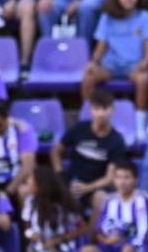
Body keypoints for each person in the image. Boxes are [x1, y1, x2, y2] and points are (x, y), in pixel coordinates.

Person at [82, 0, 148, 140]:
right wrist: (93, 63)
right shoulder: (107, 17)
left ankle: (140, 125)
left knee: (143, 79)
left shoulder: (144, 17)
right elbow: (101, 47)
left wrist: (144, 63)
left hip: (134, 66)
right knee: (88, 76)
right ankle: (89, 119)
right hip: (110, 65)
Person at [52, 90, 128, 220]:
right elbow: (55, 151)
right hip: (70, 181)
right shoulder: (79, 129)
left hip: (95, 186)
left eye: (105, 109)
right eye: (97, 109)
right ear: (91, 110)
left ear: (112, 111)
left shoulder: (117, 140)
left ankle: (92, 231)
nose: (101, 114)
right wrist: (59, 173)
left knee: (101, 199)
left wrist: (87, 187)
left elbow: (109, 178)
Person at [22, 165, 84, 252]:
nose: (28, 181)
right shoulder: (30, 201)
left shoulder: (63, 204)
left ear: (40, 184)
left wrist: (58, 240)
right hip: (39, 246)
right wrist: (31, 234)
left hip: (60, 247)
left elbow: (81, 229)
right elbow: (26, 228)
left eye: (31, 179)